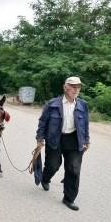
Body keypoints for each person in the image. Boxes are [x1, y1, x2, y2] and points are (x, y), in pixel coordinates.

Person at [35, 76, 90, 211]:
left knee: (74, 168)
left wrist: (87, 140)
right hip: (55, 138)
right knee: (53, 165)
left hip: (74, 139)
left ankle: (69, 198)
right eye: (72, 86)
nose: (75, 89)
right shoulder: (52, 104)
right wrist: (40, 138)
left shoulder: (82, 105)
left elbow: (85, 124)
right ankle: (45, 178)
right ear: (65, 87)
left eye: (78, 87)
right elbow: (43, 122)